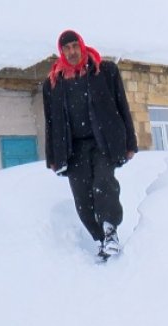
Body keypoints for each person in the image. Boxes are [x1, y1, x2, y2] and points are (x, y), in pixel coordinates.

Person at [42, 29, 137, 258]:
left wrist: (130, 142)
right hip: (73, 149)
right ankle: (101, 240)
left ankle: (110, 230)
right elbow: (51, 122)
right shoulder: (53, 83)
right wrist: (52, 157)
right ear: (61, 52)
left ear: (82, 46)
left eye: (75, 46)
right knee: (83, 200)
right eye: (67, 48)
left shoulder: (104, 71)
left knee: (104, 184)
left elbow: (122, 106)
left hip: (103, 142)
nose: (72, 51)